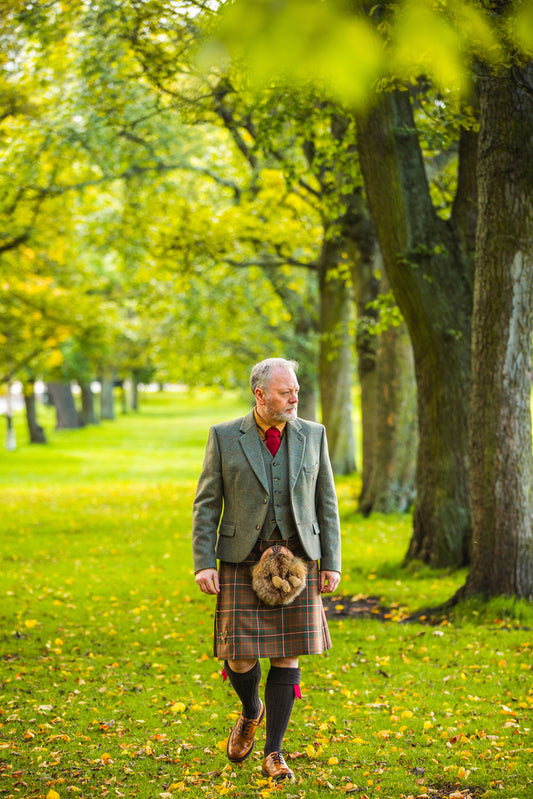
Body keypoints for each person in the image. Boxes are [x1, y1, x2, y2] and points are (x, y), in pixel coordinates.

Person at [192, 358, 341, 782]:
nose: (294, 397)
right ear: (259, 395)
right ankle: (250, 709)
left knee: (286, 655)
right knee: (238, 656)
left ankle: (274, 752)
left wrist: (331, 561)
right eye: (284, 391)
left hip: (297, 562)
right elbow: (207, 504)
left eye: (295, 389)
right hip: (242, 558)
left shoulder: (313, 434)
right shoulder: (224, 437)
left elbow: (325, 503)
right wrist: (204, 562)